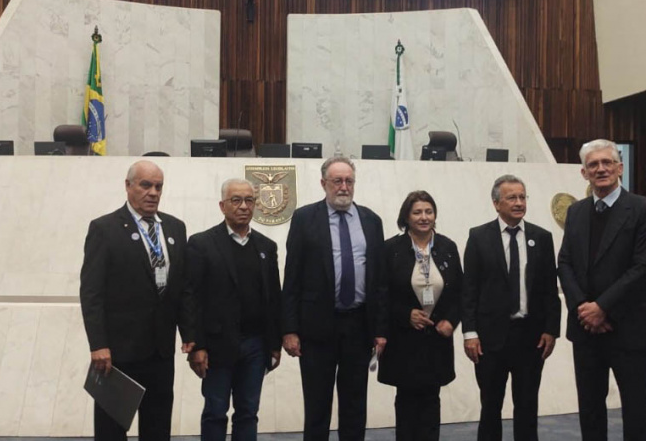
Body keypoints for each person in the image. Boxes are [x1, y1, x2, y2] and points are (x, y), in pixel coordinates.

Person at [80, 160, 195, 441]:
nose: (153, 192)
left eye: (158, 186)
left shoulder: (175, 229)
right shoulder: (104, 229)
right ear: (128, 186)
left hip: (160, 352)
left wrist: (190, 334)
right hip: (118, 354)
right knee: (111, 429)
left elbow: (182, 289)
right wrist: (98, 345)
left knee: (157, 428)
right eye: (146, 185)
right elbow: (91, 293)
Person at [557, 139, 646, 441]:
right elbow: (565, 263)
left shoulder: (644, 210)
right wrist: (583, 308)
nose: (600, 169)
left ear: (620, 168)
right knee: (589, 409)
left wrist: (601, 308)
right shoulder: (575, 212)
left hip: (629, 327)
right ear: (584, 173)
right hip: (585, 329)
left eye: (607, 163)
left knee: (636, 411)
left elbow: (643, 268)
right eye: (593, 165)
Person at [282, 156, 388, 441]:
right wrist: (289, 329)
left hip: (358, 327)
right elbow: (291, 278)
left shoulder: (371, 220)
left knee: (355, 405)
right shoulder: (304, 219)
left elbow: (379, 281)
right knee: (317, 407)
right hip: (316, 329)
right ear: (323, 184)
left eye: (349, 181)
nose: (343, 187)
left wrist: (380, 330)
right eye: (337, 181)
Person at [461, 174, 561, 441]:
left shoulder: (542, 237)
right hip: (490, 339)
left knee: (528, 406)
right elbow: (469, 289)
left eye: (522, 197)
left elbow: (550, 289)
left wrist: (551, 330)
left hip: (530, 339)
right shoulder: (479, 237)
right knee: (490, 406)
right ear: (496, 203)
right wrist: (469, 333)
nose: (519, 203)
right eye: (511, 198)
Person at [187, 178, 282, 441]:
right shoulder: (201, 244)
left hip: (255, 346)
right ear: (222, 206)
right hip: (216, 347)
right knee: (216, 412)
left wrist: (274, 344)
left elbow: (274, 298)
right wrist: (197, 346)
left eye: (249, 200)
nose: (243, 206)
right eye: (236, 200)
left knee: (248, 412)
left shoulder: (266, 246)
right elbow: (192, 299)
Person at [378, 190, 463, 441]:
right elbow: (381, 294)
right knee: (406, 402)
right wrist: (405, 315)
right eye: (417, 212)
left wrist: (452, 320)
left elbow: (461, 292)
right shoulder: (391, 249)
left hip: (436, 339)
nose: (424, 217)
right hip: (403, 340)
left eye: (429, 211)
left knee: (431, 402)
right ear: (407, 216)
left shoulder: (448, 247)